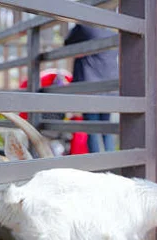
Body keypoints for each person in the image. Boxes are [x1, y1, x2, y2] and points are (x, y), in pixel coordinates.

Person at [64, 23, 118, 153]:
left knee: (91, 128)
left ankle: (97, 164)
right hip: (109, 86)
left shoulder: (84, 28)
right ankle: (110, 163)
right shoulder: (111, 33)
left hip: (90, 87)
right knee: (106, 129)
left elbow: (67, 42)